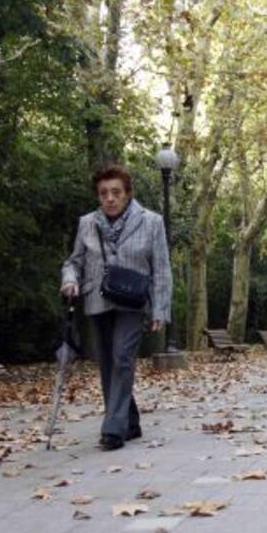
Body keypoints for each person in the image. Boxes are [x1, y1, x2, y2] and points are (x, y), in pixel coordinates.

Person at [61, 164, 172, 451]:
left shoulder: (151, 222)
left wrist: (161, 309)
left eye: (115, 192)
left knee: (122, 357)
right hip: (98, 299)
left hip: (133, 302)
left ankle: (113, 428)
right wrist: (70, 280)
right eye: (103, 193)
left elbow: (161, 268)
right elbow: (74, 261)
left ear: (127, 193)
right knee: (109, 363)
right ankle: (130, 421)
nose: (109, 198)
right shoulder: (88, 223)